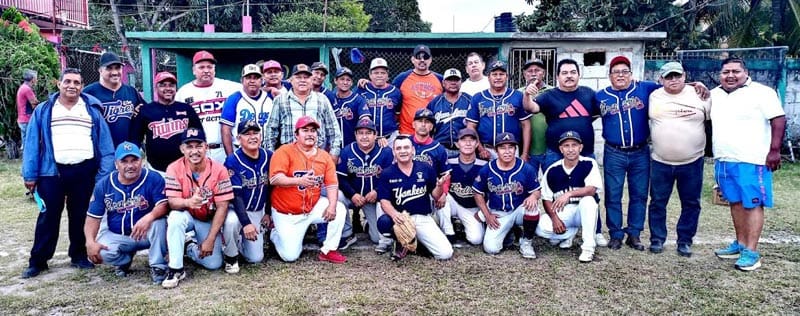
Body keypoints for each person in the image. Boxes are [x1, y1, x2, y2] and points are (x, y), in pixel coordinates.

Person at [21, 68, 115, 278]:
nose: (72, 86)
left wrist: (102, 176)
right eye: (68, 81)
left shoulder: (91, 109)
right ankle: (38, 260)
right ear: (59, 84)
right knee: (48, 215)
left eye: (77, 83)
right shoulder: (45, 110)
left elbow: (106, 145)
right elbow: (32, 143)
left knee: (80, 215)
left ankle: (79, 256)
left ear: (82, 86)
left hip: (84, 171)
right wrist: (30, 174)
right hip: (51, 172)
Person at [711, 57, 785, 271]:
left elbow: (778, 119)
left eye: (736, 71)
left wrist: (774, 150)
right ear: (720, 75)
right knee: (735, 202)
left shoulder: (762, 93)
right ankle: (740, 243)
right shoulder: (715, 95)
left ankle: (752, 252)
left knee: (752, 203)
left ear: (745, 73)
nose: (731, 75)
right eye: (726, 72)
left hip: (752, 160)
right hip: (724, 158)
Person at [523, 58, 606, 246]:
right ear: (558, 76)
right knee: (557, 191)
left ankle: (596, 230)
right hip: (554, 153)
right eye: (565, 73)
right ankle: (562, 225)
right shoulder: (549, 96)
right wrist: (527, 95)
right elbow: (530, 107)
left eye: (572, 72)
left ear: (578, 74)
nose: (569, 76)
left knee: (591, 193)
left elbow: (597, 114)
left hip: (585, 153)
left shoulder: (588, 94)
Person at [647, 62, 711, 256]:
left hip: (692, 162)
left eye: (677, 76)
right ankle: (657, 239)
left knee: (691, 203)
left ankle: (685, 240)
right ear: (661, 79)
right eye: (668, 77)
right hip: (660, 161)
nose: (673, 80)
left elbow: (711, 122)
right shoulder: (654, 95)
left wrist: (696, 84)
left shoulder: (702, 95)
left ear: (684, 76)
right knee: (658, 202)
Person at [84, 142, 169, 283]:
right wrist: (90, 242)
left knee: (159, 222)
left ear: (141, 161)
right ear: (116, 164)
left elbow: (164, 205)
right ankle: (125, 259)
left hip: (146, 234)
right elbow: (93, 217)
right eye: (124, 161)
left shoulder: (153, 178)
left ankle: (158, 266)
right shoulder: (104, 184)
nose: (130, 165)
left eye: (134, 160)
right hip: (119, 235)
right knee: (100, 251)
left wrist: (149, 217)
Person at [268, 116, 348, 264]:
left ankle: (328, 250)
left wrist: (331, 206)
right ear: (296, 135)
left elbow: (332, 184)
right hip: (287, 214)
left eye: (313, 131)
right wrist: (298, 180)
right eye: (305, 130)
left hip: (312, 208)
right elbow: (274, 178)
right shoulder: (284, 151)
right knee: (290, 256)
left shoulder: (324, 156)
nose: (310, 134)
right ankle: (274, 233)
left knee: (339, 208)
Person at [162, 127, 234, 288]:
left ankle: (189, 247)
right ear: (182, 149)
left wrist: (209, 240)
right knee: (174, 218)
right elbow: (173, 202)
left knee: (214, 263)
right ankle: (176, 269)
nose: (194, 151)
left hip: (208, 217)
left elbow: (223, 206)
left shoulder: (219, 169)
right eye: (189, 146)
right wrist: (188, 202)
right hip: (187, 214)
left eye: (198, 145)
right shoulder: (173, 168)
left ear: (206, 147)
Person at [376, 136, 453, 261]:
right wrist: (395, 215)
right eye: (398, 148)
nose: (403, 151)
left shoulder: (426, 168)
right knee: (384, 222)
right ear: (394, 152)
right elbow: (384, 201)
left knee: (445, 254)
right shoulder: (387, 173)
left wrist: (439, 187)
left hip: (422, 217)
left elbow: (435, 195)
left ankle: (416, 245)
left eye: (406, 147)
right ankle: (399, 242)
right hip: (401, 218)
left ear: (412, 150)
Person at [536, 131, 602, 262]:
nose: (571, 149)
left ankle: (588, 248)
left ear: (580, 147)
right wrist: (554, 219)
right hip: (564, 211)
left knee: (588, 201)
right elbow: (546, 198)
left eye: (574, 145)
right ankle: (569, 233)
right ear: (561, 149)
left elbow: (592, 190)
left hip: (582, 211)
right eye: (566, 146)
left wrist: (569, 193)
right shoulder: (552, 169)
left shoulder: (589, 163)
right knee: (540, 227)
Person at [473, 133, 540, 258]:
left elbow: (536, 191)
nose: (507, 151)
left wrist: (533, 196)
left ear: (515, 149)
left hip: (520, 209)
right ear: (496, 151)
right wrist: (487, 215)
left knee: (533, 207)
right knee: (491, 248)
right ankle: (511, 231)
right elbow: (477, 193)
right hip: (499, 213)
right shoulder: (487, 169)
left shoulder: (526, 168)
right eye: (503, 147)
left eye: (511, 147)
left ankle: (526, 241)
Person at [221, 120, 273, 273]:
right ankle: (230, 256)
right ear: (238, 139)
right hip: (236, 209)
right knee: (231, 222)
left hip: (257, 210)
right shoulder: (232, 160)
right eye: (247, 134)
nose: (252, 137)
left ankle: (237, 243)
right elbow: (235, 195)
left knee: (255, 258)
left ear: (261, 136)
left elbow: (272, 188)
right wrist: (246, 223)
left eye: (255, 133)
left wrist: (268, 213)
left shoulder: (269, 156)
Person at [336, 118, 395, 252]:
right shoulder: (346, 151)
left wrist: (377, 191)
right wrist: (352, 194)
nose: (364, 136)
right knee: (338, 196)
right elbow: (341, 179)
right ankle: (347, 233)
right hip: (352, 196)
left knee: (376, 238)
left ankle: (369, 223)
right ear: (355, 135)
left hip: (372, 199)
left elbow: (390, 179)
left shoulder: (385, 152)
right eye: (360, 133)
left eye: (368, 133)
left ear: (375, 135)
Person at [265, 64, 343, 161]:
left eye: (306, 77)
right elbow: (270, 131)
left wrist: (334, 154)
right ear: (291, 80)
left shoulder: (322, 99)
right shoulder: (280, 100)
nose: (302, 80)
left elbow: (334, 130)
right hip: (288, 158)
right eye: (298, 77)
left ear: (311, 80)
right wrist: (271, 155)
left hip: (317, 157)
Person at [130, 72, 203, 174]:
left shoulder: (186, 109)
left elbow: (199, 136)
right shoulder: (146, 110)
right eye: (163, 85)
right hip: (157, 169)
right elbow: (135, 138)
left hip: (185, 169)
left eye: (171, 85)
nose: (168, 88)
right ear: (156, 88)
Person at [175, 50, 241, 162]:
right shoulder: (183, 92)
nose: (206, 71)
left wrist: (271, 89)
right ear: (194, 70)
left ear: (214, 70)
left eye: (210, 67)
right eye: (201, 67)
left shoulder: (230, 87)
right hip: (198, 151)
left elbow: (253, 89)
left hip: (224, 149)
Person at [468, 60, 532, 160]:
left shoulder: (518, 96)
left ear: (507, 76)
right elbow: (471, 126)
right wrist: (480, 149)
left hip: (511, 149)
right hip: (487, 150)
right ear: (488, 77)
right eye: (494, 74)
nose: (498, 77)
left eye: (501, 74)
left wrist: (525, 153)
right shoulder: (478, 97)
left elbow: (526, 125)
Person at [435, 128, 488, 246]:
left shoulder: (485, 165)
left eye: (471, 140)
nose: (468, 143)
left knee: (476, 239)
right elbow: (440, 183)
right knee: (441, 198)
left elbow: (491, 194)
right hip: (452, 202)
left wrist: (481, 214)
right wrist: (442, 193)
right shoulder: (449, 162)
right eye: (463, 140)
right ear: (457, 144)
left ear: (477, 144)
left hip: (472, 208)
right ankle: (449, 233)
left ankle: (460, 226)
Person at [83, 51, 147, 147]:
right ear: (100, 70)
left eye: (118, 68)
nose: (114, 72)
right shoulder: (89, 93)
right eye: (109, 68)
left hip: (127, 152)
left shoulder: (131, 91)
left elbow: (147, 111)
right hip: (101, 151)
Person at [220, 64, 274, 156]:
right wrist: (230, 156)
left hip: (268, 149)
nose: (252, 81)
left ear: (261, 80)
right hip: (241, 151)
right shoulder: (234, 99)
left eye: (256, 77)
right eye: (248, 77)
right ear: (242, 80)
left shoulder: (271, 97)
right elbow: (225, 130)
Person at [393, 44, 444, 135]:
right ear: (412, 59)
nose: (422, 60)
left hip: (431, 134)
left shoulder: (440, 79)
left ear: (430, 60)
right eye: (418, 57)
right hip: (406, 132)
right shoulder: (402, 78)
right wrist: (368, 83)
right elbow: (386, 91)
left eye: (426, 57)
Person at [427, 68, 476, 158]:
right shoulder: (435, 102)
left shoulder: (471, 100)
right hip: (441, 148)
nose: (453, 83)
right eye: (450, 80)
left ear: (461, 82)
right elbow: (428, 127)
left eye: (456, 80)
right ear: (443, 83)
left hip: (465, 148)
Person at [520, 58, 553, 176]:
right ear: (524, 74)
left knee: (551, 185)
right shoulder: (519, 93)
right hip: (527, 150)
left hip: (550, 149)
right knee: (528, 185)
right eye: (529, 71)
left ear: (543, 73)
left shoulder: (552, 92)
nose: (533, 73)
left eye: (537, 70)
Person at [359, 58, 402, 147]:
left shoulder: (396, 92)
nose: (379, 75)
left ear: (387, 75)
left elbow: (398, 114)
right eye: (376, 73)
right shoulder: (361, 89)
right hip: (367, 139)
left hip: (390, 138)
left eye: (383, 73)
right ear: (370, 75)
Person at [326, 67, 367, 148]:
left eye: (348, 80)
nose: (345, 82)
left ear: (352, 82)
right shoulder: (329, 98)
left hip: (352, 145)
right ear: (335, 81)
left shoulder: (358, 99)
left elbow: (365, 118)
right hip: (332, 145)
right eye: (342, 79)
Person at [17, 69, 39, 147]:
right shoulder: (27, 89)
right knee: (30, 144)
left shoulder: (23, 87)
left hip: (22, 120)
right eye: (36, 78)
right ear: (33, 79)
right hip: (27, 119)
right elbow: (35, 103)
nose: (37, 80)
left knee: (26, 143)